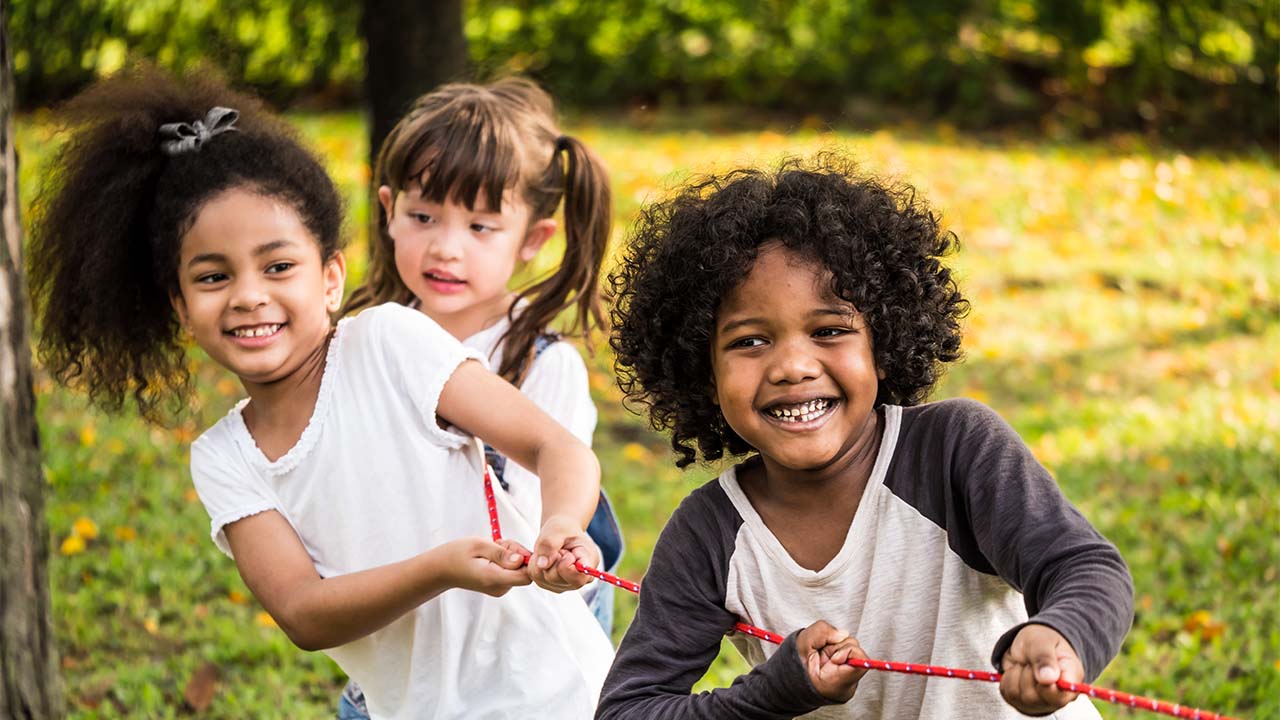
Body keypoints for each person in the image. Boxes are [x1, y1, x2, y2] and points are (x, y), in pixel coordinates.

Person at [28, 66, 613, 720]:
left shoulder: (391, 341)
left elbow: (555, 446)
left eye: (278, 266)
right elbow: (303, 613)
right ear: (180, 305)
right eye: (214, 276)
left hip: (553, 694)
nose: (250, 294)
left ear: (331, 278)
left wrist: (560, 524)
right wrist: (441, 567)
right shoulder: (224, 459)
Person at [597, 156, 1134, 719]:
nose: (792, 367)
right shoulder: (710, 534)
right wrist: (773, 692)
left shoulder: (952, 451)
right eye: (750, 342)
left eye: (829, 331)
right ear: (703, 374)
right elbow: (628, 711)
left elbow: (1084, 567)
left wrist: (1061, 636)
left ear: (883, 344)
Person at [345, 76, 623, 635]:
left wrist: (562, 531)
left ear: (531, 240)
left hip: (523, 626)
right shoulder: (366, 340)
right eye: (422, 217)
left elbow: (549, 498)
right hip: (412, 608)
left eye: (480, 227)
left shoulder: (541, 364)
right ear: (388, 210)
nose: (446, 247)